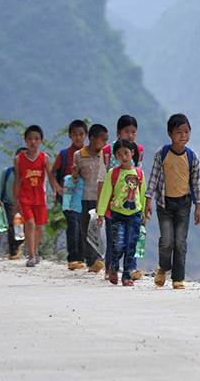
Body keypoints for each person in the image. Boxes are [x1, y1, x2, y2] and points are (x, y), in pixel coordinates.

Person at [145, 113, 200, 290]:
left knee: (180, 241)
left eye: (187, 131)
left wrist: (198, 207)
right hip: (164, 204)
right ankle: (163, 267)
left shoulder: (192, 157)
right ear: (170, 134)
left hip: (184, 204)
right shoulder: (162, 154)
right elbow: (153, 178)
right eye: (179, 132)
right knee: (166, 239)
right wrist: (148, 200)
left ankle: (178, 278)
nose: (183, 136)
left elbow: (196, 183)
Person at [98, 139, 147, 286]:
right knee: (118, 244)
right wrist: (101, 213)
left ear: (132, 152)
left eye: (126, 153)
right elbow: (106, 193)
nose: (124, 157)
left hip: (135, 214)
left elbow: (142, 193)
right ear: (115, 157)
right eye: (119, 154)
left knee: (131, 244)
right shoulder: (113, 173)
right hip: (117, 214)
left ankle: (127, 276)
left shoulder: (139, 173)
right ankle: (113, 266)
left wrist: (144, 213)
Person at [13, 125, 62, 267]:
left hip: (39, 197)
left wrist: (55, 189)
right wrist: (15, 201)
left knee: (39, 228)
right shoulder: (19, 159)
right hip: (25, 197)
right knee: (30, 224)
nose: (33, 142)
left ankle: (33, 250)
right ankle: (32, 256)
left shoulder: (44, 158)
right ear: (25, 140)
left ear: (41, 141)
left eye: (36, 139)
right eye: (30, 139)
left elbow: (50, 175)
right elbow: (17, 180)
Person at [72, 123, 109, 273]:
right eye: (103, 140)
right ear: (93, 139)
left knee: (99, 229)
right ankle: (91, 260)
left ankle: (99, 258)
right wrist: (74, 174)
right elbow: (75, 179)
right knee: (85, 229)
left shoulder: (105, 156)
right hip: (83, 198)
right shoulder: (79, 155)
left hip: (99, 198)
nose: (105, 143)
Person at [53, 120, 87, 269]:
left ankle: (83, 258)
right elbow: (53, 172)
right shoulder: (65, 154)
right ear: (69, 136)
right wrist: (56, 188)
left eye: (81, 134)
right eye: (75, 135)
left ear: (86, 135)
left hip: (84, 196)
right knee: (73, 225)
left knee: (83, 226)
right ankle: (73, 257)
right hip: (68, 196)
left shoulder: (89, 153)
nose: (78, 138)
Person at [0, 147, 26, 260]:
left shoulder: (27, 174)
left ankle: (19, 246)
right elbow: (1, 185)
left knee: (23, 226)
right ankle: (13, 250)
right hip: (9, 202)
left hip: (24, 203)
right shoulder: (7, 171)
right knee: (11, 225)